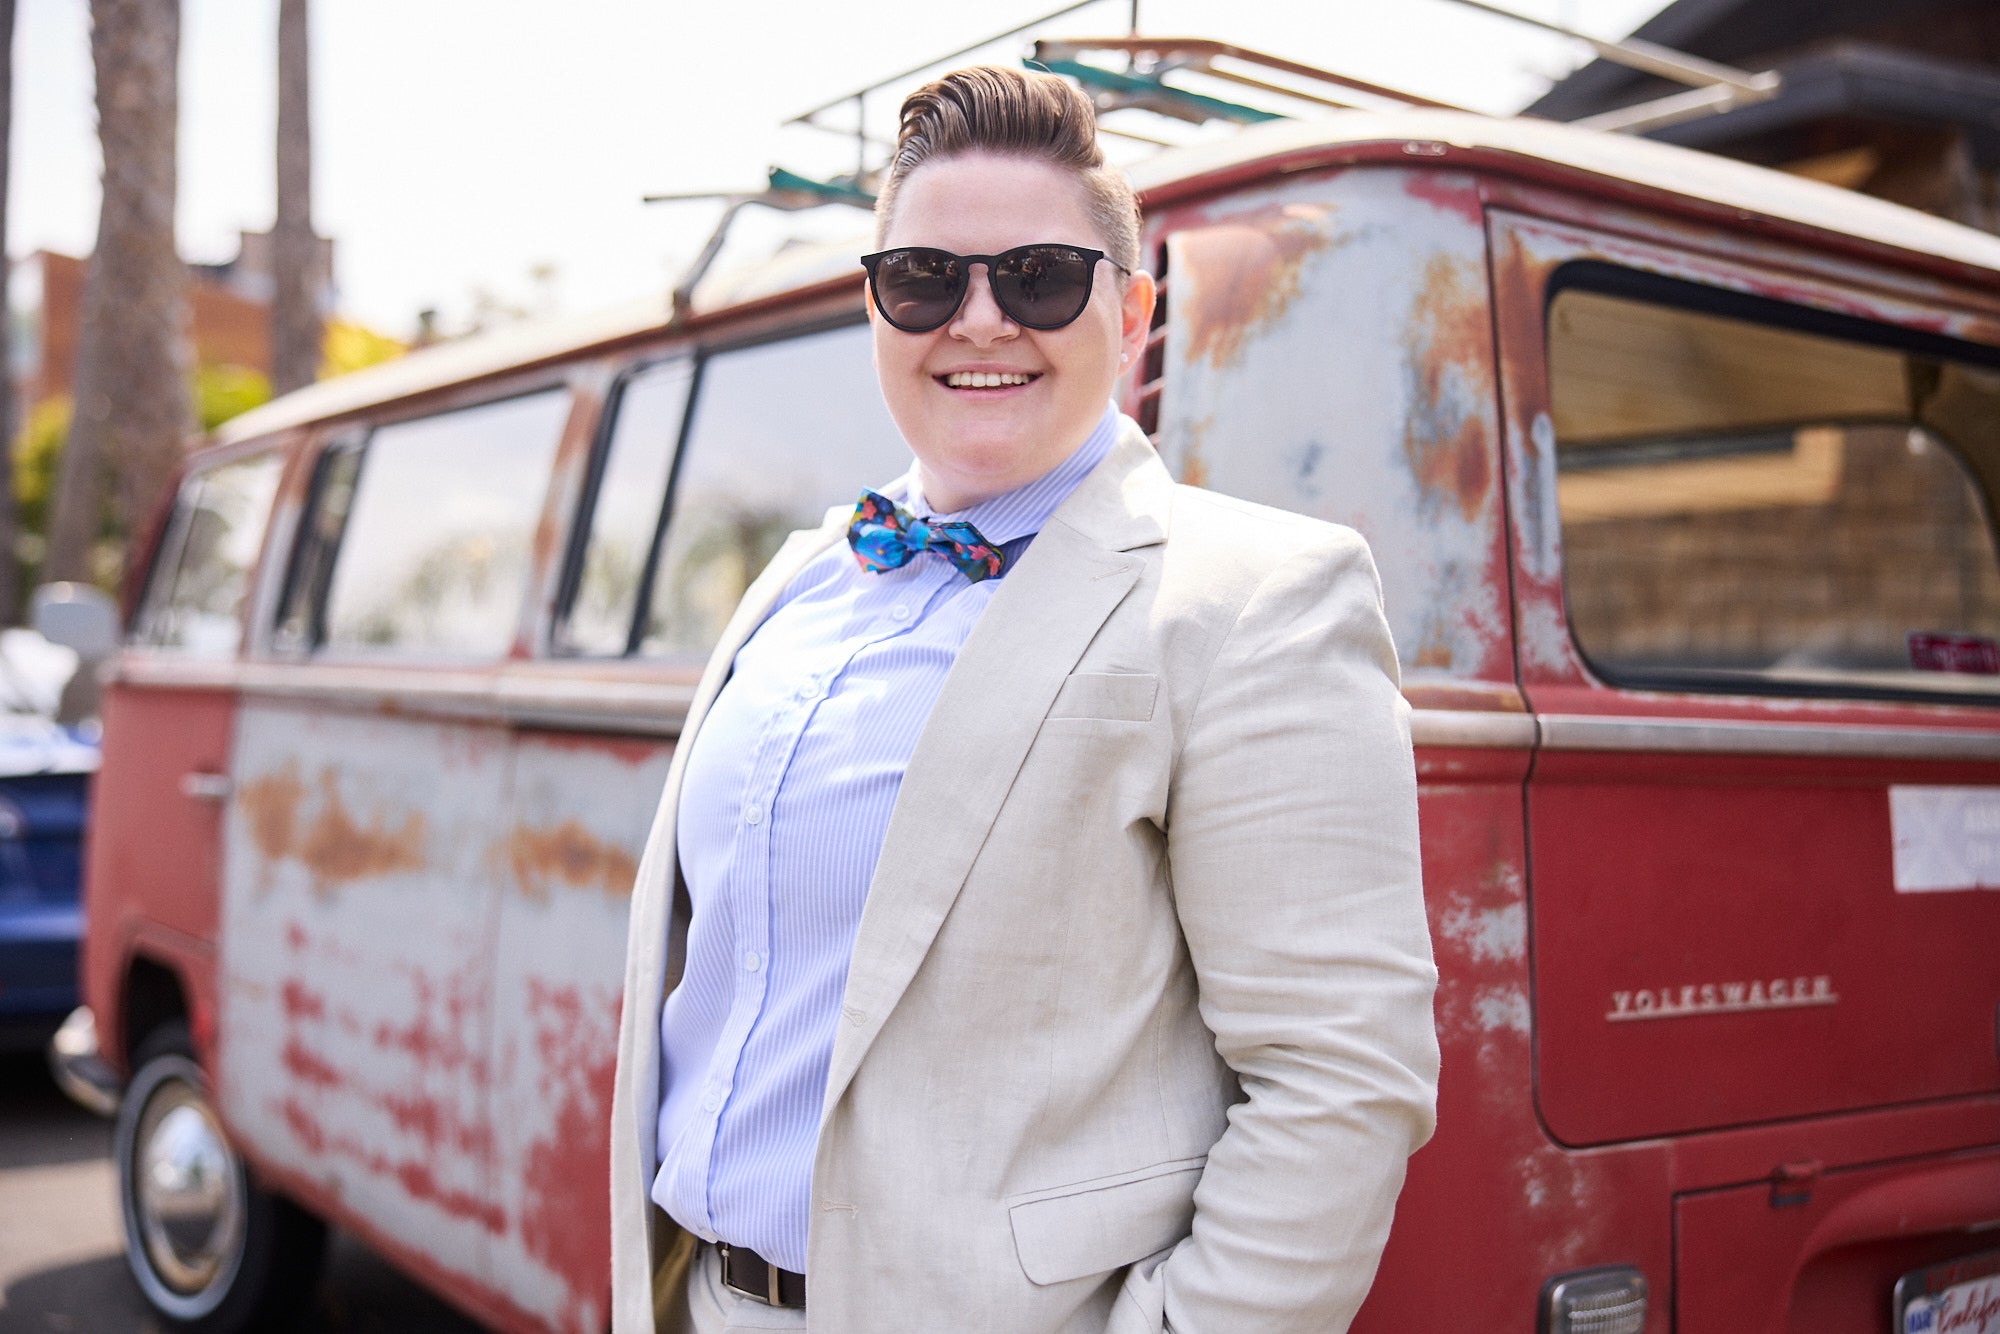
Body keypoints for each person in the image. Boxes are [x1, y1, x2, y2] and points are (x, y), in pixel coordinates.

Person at [610, 64, 1439, 1334]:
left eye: (1040, 276)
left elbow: (1340, 1081)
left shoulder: (1259, 597)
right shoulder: (797, 578)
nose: (981, 319)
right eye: (925, 279)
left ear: (1134, 310)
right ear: (876, 307)